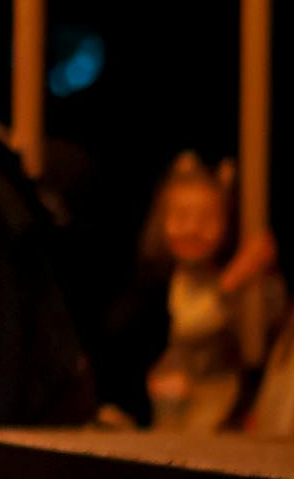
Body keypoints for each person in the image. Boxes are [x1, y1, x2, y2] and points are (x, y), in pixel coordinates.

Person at [97, 149, 286, 436]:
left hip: (218, 397)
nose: (193, 229)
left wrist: (239, 276)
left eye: (207, 218)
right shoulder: (152, 286)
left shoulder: (233, 286)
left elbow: (248, 330)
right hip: (163, 402)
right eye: (181, 216)